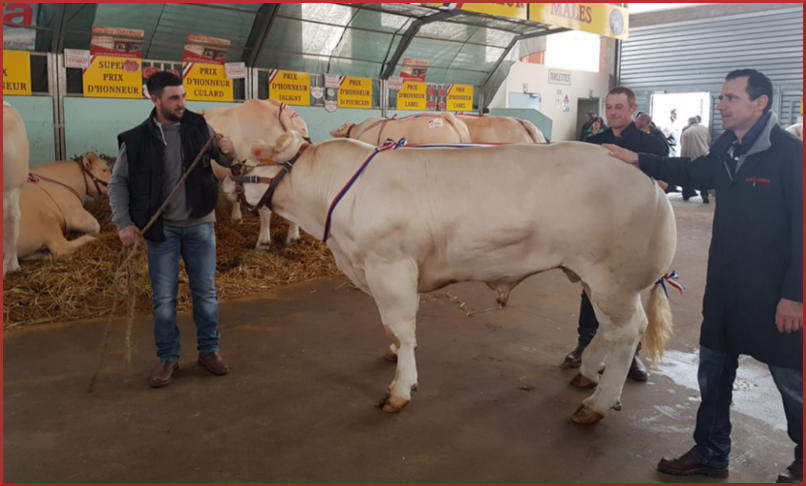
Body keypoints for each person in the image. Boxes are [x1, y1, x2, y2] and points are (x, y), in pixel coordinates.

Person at [604, 69, 802, 483]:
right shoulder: (727, 146)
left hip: (775, 293)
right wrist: (639, 158)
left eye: (730, 98)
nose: (721, 105)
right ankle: (711, 451)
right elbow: (693, 173)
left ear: (760, 103)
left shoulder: (791, 156)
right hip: (726, 287)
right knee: (713, 372)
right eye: (721, 98)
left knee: (792, 383)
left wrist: (795, 296)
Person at [108, 71, 238, 388]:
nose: (182, 103)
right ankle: (168, 357)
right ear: (155, 100)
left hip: (200, 228)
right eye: (174, 98)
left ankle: (209, 351)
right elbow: (118, 183)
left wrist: (228, 149)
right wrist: (123, 222)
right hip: (161, 232)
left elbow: (223, 159)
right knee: (164, 299)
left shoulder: (197, 125)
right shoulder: (137, 139)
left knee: (205, 293)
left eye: (182, 95)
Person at [563, 87, 670, 381]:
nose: (612, 113)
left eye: (619, 108)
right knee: (591, 285)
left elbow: (663, 184)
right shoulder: (594, 143)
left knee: (631, 290)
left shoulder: (653, 145)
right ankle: (585, 345)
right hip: (599, 226)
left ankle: (630, 355)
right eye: (609, 107)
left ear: (632, 109)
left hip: (637, 226)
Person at [680, 116, 712, 203]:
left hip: (692, 158)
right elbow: (709, 141)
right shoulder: (704, 129)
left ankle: (686, 195)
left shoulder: (686, 131)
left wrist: (683, 159)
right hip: (705, 155)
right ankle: (705, 195)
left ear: (689, 123)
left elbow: (684, 147)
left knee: (688, 176)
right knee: (704, 177)